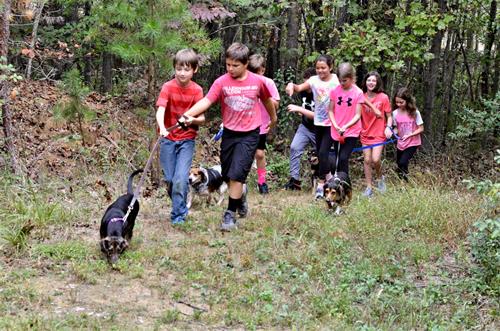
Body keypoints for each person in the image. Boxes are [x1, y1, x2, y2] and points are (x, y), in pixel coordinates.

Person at [180, 43, 277, 231]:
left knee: (237, 173)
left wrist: (273, 119)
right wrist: (188, 115)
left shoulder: (257, 81)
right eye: (228, 65)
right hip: (230, 132)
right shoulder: (222, 82)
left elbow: (267, 101)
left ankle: (230, 215)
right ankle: (240, 199)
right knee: (227, 173)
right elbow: (207, 101)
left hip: (250, 133)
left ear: (246, 63)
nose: (230, 69)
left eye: (235, 65)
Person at [155, 49, 205, 225]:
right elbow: (160, 110)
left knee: (180, 179)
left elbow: (202, 119)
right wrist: (162, 127)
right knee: (170, 179)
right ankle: (180, 204)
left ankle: (178, 216)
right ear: (174, 69)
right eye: (179, 69)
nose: (182, 73)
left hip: (186, 140)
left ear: (194, 70)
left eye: (186, 69)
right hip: (168, 139)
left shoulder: (197, 91)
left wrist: (192, 120)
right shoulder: (168, 87)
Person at [286, 55, 339, 199]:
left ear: (330, 67)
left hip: (331, 123)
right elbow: (299, 87)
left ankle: (322, 184)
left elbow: (346, 94)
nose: (320, 71)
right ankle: (328, 180)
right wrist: (292, 86)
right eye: (318, 68)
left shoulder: (335, 80)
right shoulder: (313, 80)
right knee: (320, 153)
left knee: (323, 153)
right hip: (317, 124)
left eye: (323, 68)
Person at [247, 54, 280, 194]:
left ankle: (262, 182)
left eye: (258, 71)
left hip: (262, 124)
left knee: (259, 154)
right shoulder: (245, 82)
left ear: (263, 70)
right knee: (245, 153)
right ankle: (239, 181)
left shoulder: (269, 83)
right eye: (252, 72)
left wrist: (264, 95)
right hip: (246, 123)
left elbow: (276, 104)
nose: (256, 75)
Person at [360, 71, 393, 197]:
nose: (371, 83)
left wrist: (389, 127)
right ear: (365, 82)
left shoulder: (383, 97)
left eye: (374, 80)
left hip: (379, 133)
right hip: (365, 133)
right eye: (369, 80)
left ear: (377, 82)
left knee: (376, 159)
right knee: (367, 160)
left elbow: (389, 116)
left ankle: (380, 179)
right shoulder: (361, 96)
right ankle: (369, 187)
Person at [328, 63, 364, 177]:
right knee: (338, 157)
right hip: (336, 129)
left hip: (351, 130)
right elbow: (330, 110)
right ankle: (340, 183)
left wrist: (346, 126)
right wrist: (335, 125)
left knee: (344, 157)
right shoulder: (334, 91)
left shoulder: (358, 93)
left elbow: (358, 115)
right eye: (340, 80)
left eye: (345, 80)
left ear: (352, 78)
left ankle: (344, 183)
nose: (342, 83)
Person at [284, 67, 316, 191]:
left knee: (323, 155)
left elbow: (318, 116)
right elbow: (294, 87)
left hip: (319, 129)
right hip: (305, 127)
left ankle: (325, 181)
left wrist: (300, 109)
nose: (306, 85)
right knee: (295, 147)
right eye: (305, 82)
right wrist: (290, 86)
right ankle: (295, 181)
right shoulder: (303, 91)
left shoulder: (320, 92)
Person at [392, 87, 424, 181]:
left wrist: (410, 135)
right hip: (401, 142)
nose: (398, 104)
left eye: (401, 102)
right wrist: (393, 133)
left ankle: (405, 182)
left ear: (407, 100)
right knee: (399, 163)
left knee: (403, 162)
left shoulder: (415, 113)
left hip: (413, 142)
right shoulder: (394, 113)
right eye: (397, 102)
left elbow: (421, 128)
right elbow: (396, 128)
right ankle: (401, 182)